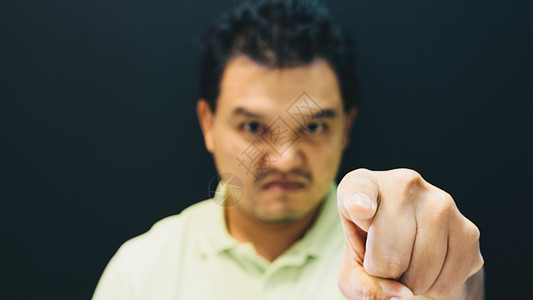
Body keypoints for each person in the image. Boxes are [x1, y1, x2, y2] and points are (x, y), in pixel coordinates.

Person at [93, 0, 484, 299]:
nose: (283, 158)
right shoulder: (141, 272)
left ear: (346, 126)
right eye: (253, 127)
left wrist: (445, 273)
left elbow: (455, 287)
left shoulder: (395, 262)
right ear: (208, 124)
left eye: (312, 126)